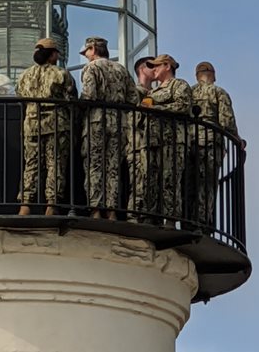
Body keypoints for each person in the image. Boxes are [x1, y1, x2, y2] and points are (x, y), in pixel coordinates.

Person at [80, 36, 139, 219]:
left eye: (87, 51)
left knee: (95, 165)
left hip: (97, 121)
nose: (86, 55)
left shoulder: (92, 68)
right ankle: (112, 210)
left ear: (93, 49)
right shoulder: (121, 69)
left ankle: (96, 209)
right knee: (113, 166)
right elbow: (134, 99)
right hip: (119, 122)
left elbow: (89, 95)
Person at [16, 38, 77, 215]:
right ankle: (52, 204)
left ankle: (25, 205)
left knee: (31, 165)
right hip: (56, 124)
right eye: (56, 52)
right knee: (55, 164)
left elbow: (19, 95)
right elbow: (71, 97)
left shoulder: (24, 75)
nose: (57, 55)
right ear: (51, 55)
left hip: (32, 124)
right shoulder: (61, 74)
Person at [188, 61, 245, 230]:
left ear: (197, 76)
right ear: (213, 75)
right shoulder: (219, 92)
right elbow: (227, 121)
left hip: (191, 141)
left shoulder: (189, 92)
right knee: (207, 184)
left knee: (191, 182)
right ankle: (204, 221)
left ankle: (187, 220)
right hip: (211, 142)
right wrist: (237, 138)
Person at [143, 54, 192, 227]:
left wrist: (156, 108)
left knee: (170, 178)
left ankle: (170, 219)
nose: (153, 70)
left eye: (156, 66)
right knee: (151, 178)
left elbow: (183, 106)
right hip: (153, 140)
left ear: (167, 66)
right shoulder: (152, 91)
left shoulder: (179, 85)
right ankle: (151, 215)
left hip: (172, 139)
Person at [128, 56, 158, 221]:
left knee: (152, 182)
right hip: (138, 143)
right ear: (141, 69)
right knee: (139, 181)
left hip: (152, 143)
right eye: (151, 66)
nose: (155, 69)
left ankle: (150, 216)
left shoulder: (156, 94)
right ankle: (135, 215)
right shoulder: (135, 92)